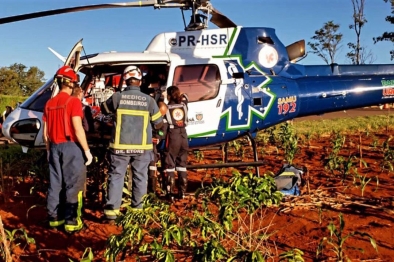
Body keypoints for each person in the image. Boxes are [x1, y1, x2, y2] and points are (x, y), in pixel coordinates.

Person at [100, 65, 163, 221]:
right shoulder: (149, 101)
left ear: (126, 80)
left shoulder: (117, 97)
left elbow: (104, 109)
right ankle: (137, 212)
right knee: (140, 178)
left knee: (116, 177)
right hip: (142, 148)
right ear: (140, 81)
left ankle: (111, 213)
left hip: (120, 147)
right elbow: (159, 123)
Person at [42, 65, 93, 232]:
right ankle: (72, 223)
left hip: (54, 147)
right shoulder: (73, 102)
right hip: (71, 147)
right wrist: (86, 151)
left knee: (55, 185)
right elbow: (78, 129)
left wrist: (49, 151)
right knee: (74, 185)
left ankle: (54, 219)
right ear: (71, 84)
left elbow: (45, 134)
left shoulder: (49, 104)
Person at [163, 86, 189, 200]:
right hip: (184, 135)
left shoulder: (167, 108)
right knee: (182, 164)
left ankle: (170, 194)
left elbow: (163, 125)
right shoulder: (184, 105)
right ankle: (182, 193)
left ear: (168, 95)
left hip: (173, 136)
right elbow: (186, 97)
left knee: (170, 163)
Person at [148, 101, 168, 194]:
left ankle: (152, 191)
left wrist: (157, 138)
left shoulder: (163, 121)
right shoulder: (148, 117)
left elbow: (162, 133)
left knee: (152, 166)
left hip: (153, 146)